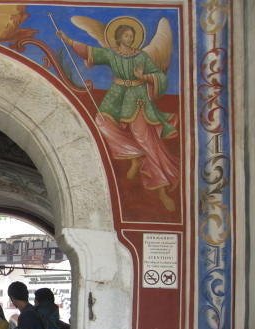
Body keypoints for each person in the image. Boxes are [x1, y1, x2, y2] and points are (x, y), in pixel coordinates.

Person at [57, 16, 179, 211]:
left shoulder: (141, 57)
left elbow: (159, 77)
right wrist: (68, 40)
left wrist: (144, 76)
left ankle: (162, 190)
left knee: (144, 137)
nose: (130, 39)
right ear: (119, 38)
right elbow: (91, 52)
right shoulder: (112, 54)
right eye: (126, 35)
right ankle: (134, 157)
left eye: (132, 36)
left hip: (137, 97)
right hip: (116, 96)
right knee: (102, 122)